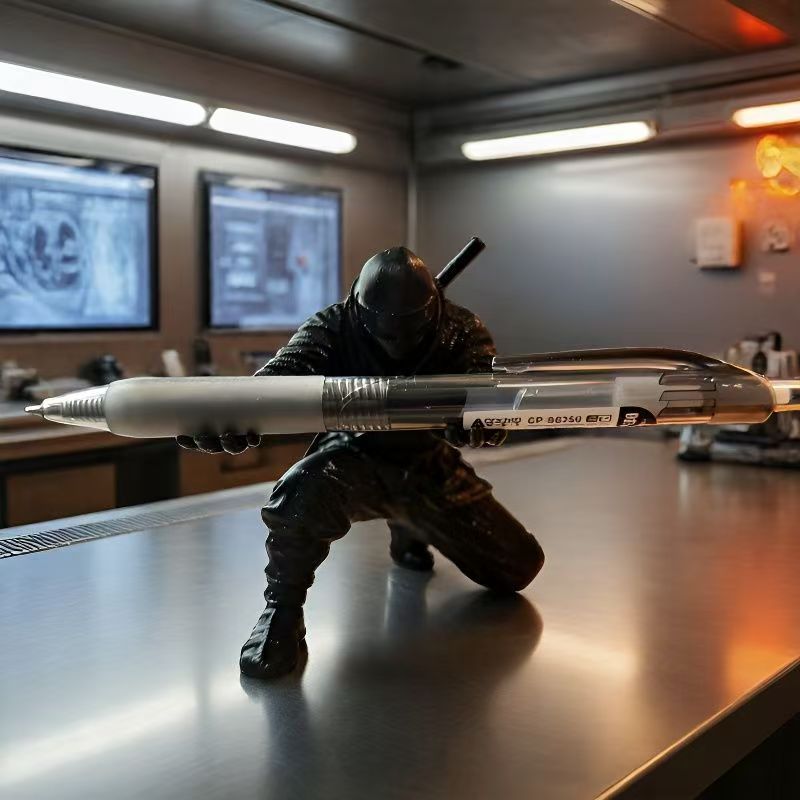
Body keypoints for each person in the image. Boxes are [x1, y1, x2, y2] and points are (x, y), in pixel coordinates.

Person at [178, 246, 545, 679]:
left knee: (517, 566)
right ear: (359, 309)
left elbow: (485, 389)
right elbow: (279, 380)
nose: (398, 347)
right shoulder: (331, 326)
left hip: (427, 464)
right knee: (299, 498)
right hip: (353, 456)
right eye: (387, 337)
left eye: (411, 335)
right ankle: (282, 609)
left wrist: (482, 423)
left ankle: (410, 524)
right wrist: (237, 413)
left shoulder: (461, 330)